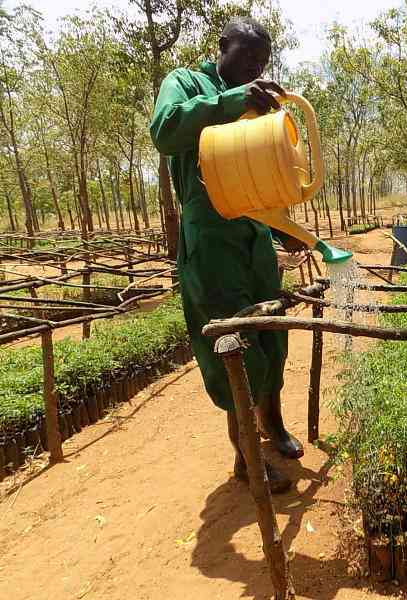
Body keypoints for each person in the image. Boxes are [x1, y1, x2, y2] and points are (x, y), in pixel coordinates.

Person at [150, 16, 303, 493]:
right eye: (249, 56)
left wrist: (285, 229)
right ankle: (246, 456)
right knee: (233, 343)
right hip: (211, 235)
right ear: (223, 46)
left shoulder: (258, 104)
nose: (256, 67)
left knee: (271, 337)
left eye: (263, 61)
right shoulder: (185, 83)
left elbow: (263, 176)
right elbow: (165, 130)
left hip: (254, 234)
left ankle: (272, 426)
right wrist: (227, 102)